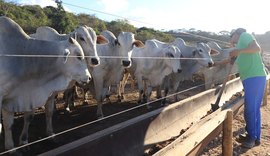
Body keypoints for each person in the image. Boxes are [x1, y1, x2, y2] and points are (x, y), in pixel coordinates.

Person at [216, 28, 267, 148]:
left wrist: (238, 50)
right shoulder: (241, 49)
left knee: (250, 109)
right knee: (254, 109)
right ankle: (255, 137)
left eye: (231, 36)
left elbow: (257, 48)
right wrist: (213, 64)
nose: (230, 39)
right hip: (252, 78)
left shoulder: (244, 35)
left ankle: (251, 138)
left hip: (254, 77)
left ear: (236, 34)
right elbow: (228, 60)